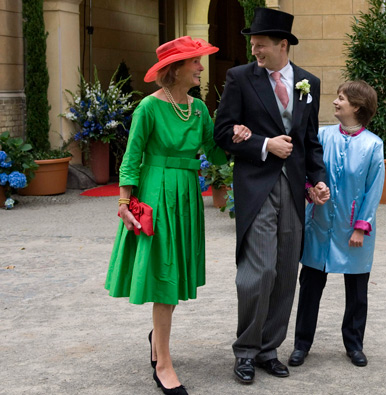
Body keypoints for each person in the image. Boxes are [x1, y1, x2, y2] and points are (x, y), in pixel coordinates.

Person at [105, 36, 247, 395]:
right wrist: (124, 204)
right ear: (176, 68)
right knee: (164, 278)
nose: (201, 67)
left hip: (186, 197)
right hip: (155, 193)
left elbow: (215, 153)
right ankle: (164, 364)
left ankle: (158, 340)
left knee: (172, 277)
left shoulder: (198, 109)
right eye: (194, 62)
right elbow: (132, 156)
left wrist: (238, 137)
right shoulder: (148, 108)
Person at [214, 7, 329, 385]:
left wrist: (318, 180)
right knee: (258, 271)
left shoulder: (308, 83)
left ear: (283, 45)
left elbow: (310, 142)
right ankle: (245, 351)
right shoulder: (240, 79)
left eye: (261, 45)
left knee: (284, 273)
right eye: (253, 44)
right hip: (257, 187)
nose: (255, 52)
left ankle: (268, 350)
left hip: (294, 191)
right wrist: (265, 145)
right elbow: (223, 132)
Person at [288, 80, 385, 368]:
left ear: (356, 106)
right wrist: (310, 190)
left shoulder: (373, 145)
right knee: (310, 286)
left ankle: (354, 345)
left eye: (341, 98)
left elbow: (373, 189)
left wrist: (360, 227)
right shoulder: (321, 135)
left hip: (353, 229)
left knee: (357, 290)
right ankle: (301, 345)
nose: (335, 102)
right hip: (319, 224)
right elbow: (307, 170)